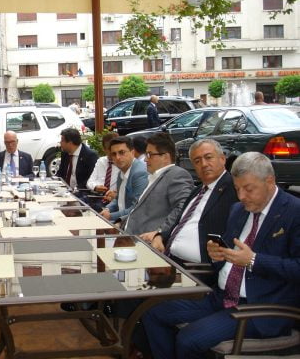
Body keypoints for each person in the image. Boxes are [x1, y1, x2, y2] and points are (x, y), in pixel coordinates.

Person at [142, 152, 300, 359]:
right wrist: (217, 255)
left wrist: (253, 260)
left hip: (260, 307)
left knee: (189, 339)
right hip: (222, 297)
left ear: (269, 181)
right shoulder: (239, 210)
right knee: (154, 314)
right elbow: (227, 260)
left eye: (248, 189)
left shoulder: (294, 212)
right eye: (237, 189)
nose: (241, 196)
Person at [151, 139, 238, 268]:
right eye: (197, 161)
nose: (204, 164)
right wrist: (160, 236)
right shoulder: (197, 191)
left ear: (222, 159)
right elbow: (180, 222)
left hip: (199, 269)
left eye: (208, 157)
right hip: (168, 259)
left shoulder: (234, 190)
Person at [124, 133, 193, 238]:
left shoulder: (177, 175)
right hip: (127, 233)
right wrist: (121, 221)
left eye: (150, 154)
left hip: (145, 241)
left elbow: (183, 208)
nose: (145, 159)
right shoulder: (153, 177)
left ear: (165, 157)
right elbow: (138, 210)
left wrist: (159, 233)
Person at [99, 136, 148, 223]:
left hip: (134, 224)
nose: (117, 157)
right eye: (114, 154)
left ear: (132, 152)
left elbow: (136, 209)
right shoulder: (121, 172)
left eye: (122, 152)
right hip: (122, 221)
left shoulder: (139, 173)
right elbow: (118, 199)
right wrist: (107, 209)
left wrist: (110, 216)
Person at [86, 132, 120, 200]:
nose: (113, 151)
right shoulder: (101, 161)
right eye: (110, 149)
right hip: (97, 197)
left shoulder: (122, 163)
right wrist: (95, 187)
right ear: (104, 149)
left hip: (114, 199)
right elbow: (89, 182)